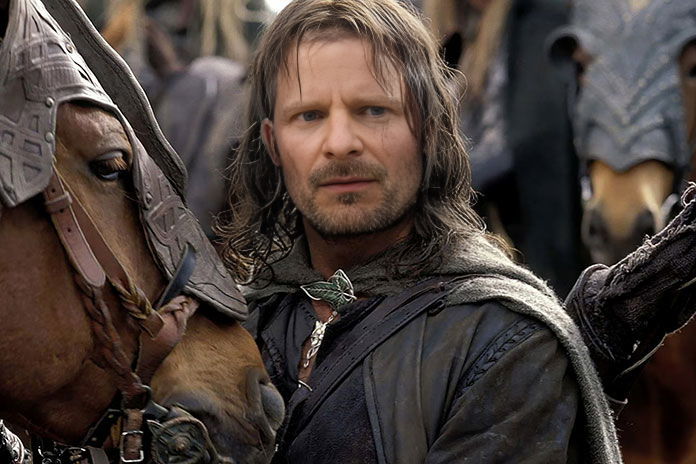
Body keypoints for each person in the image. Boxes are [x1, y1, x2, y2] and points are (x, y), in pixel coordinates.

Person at [216, 0, 620, 462]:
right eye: (309, 116)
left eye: (373, 110)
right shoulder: (237, 324)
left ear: (428, 131)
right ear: (273, 144)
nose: (341, 143)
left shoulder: (504, 340)